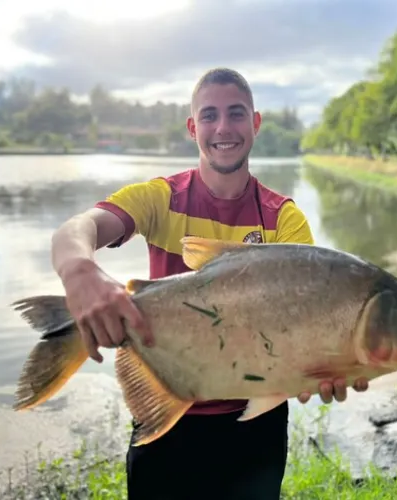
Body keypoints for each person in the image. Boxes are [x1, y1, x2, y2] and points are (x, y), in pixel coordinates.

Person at [50, 68, 369, 500]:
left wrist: (331, 361)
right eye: (209, 116)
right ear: (192, 127)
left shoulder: (282, 219)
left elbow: (310, 313)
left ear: (255, 123)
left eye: (236, 114)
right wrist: (79, 272)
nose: (223, 128)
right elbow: (79, 228)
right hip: (169, 405)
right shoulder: (161, 198)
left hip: (255, 424)